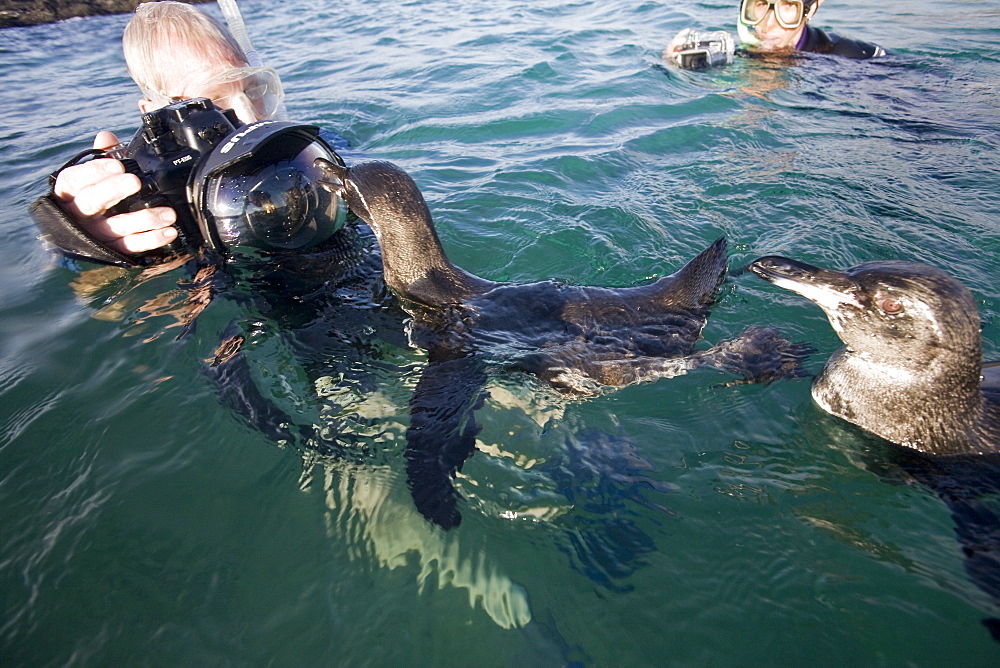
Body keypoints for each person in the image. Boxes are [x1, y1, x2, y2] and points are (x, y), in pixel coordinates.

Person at [41, 1, 288, 261]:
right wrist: (88, 241)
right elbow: (92, 289)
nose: (248, 117)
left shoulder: (290, 148)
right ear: (155, 112)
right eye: (212, 104)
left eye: (252, 91)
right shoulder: (152, 188)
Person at [665, 0, 885, 62]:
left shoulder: (849, 56)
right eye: (760, 4)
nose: (768, 24)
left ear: (811, 9)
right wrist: (672, 64)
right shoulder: (744, 54)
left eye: (787, 6)